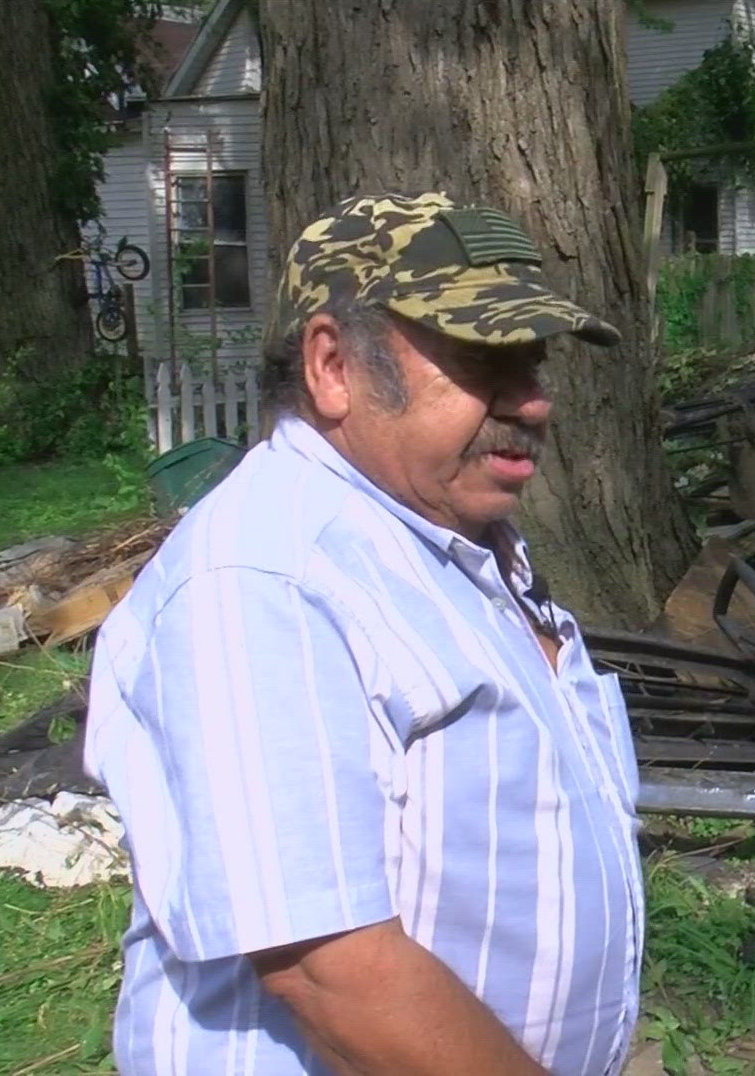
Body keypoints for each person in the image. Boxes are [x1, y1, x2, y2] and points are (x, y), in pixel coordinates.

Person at [85, 192, 644, 1075]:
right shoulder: (264, 579)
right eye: (485, 361)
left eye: (534, 364)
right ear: (334, 366)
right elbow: (329, 971)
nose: (531, 403)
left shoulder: (447, 541)